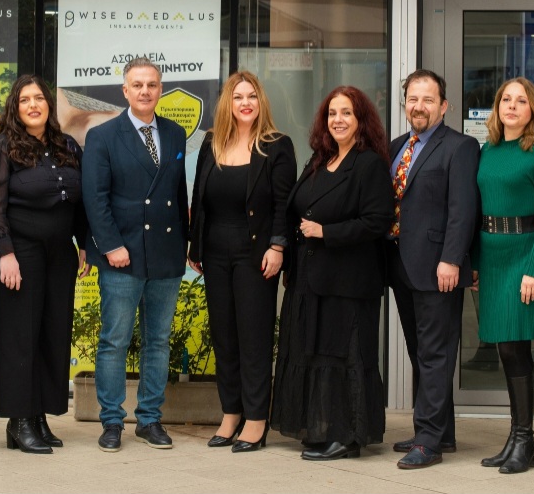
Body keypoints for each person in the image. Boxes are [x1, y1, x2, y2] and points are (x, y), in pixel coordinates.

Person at [270, 85, 393, 461]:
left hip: (349, 281)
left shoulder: (369, 164)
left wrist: (326, 232)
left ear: (361, 121)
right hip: (309, 277)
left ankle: (347, 436)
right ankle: (321, 428)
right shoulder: (319, 159)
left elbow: (377, 222)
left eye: (346, 113)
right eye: (332, 114)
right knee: (314, 353)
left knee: (345, 357)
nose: (338, 120)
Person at [81, 57, 190, 453]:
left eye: (152, 85)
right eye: (138, 85)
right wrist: (111, 246)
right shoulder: (103, 135)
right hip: (121, 256)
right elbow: (95, 198)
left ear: (160, 90)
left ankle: (149, 419)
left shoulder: (175, 133)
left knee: (157, 341)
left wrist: (186, 243)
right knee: (115, 340)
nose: (146, 91)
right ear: (125, 91)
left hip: (166, 254)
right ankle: (112, 421)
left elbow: (178, 193)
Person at [187, 71, 296, 453]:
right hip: (215, 255)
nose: (245, 103)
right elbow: (199, 198)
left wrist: (278, 247)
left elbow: (284, 205)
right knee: (225, 337)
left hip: (256, 255)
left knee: (254, 338)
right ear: (228, 104)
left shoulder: (277, 146)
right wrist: (195, 247)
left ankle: (256, 419)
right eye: (238, 97)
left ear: (260, 101)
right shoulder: (211, 142)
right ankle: (231, 413)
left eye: (251, 96)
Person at [0, 75, 90, 454]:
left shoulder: (67, 145)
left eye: (39, 98)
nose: (33, 105)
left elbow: (80, 201)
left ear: (49, 105)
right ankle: (19, 419)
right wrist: (5, 253)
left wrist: (84, 244)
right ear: (15, 106)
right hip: (20, 254)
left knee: (52, 334)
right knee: (19, 337)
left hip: (60, 254)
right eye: (25, 99)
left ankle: (39, 415)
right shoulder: (1, 147)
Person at [388, 69, 480, 469]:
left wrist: (452, 259)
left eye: (428, 100)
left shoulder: (460, 146)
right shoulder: (397, 146)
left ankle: (428, 442)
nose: (419, 106)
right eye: (413, 99)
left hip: (438, 267)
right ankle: (442, 431)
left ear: (444, 106)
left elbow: (463, 209)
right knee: (420, 352)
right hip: (401, 266)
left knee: (435, 354)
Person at [471, 78, 534, 474]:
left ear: (533, 109)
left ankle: (525, 439)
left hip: (524, 257)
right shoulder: (486, 151)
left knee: (515, 348)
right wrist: (475, 262)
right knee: (504, 348)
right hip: (492, 259)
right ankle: (517, 438)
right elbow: (479, 211)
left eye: (521, 100)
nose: (511, 106)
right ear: (497, 107)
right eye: (506, 99)